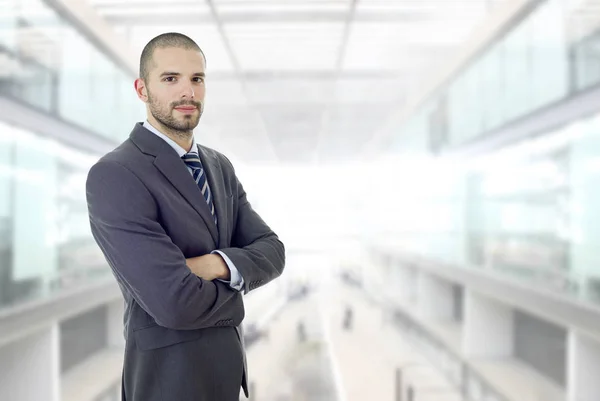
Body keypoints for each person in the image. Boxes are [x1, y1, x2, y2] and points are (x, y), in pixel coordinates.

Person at [86, 32, 285, 401]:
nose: (188, 92)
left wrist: (213, 265)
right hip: (167, 384)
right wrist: (239, 289)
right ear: (142, 89)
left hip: (227, 380)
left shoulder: (218, 165)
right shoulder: (116, 174)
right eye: (170, 79)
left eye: (197, 79)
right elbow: (173, 302)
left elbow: (273, 251)